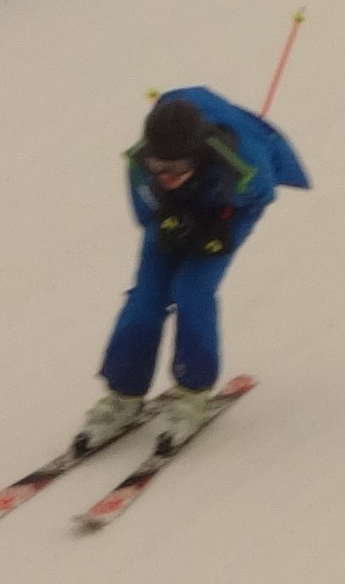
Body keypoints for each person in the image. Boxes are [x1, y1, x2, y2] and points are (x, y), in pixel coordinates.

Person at [78, 87, 309, 454]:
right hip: (173, 214)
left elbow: (261, 194)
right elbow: (145, 212)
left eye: (176, 168)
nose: (165, 175)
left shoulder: (242, 160)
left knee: (192, 292)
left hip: (226, 213)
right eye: (158, 167)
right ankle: (123, 395)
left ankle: (192, 392)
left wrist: (218, 223)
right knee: (146, 299)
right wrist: (168, 219)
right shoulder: (139, 164)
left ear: (198, 155)